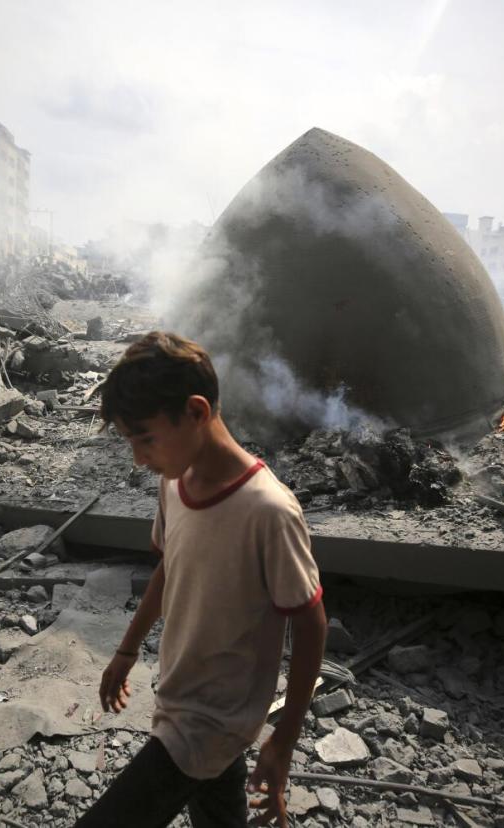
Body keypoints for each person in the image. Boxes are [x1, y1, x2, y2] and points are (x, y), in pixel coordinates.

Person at [74, 331, 327, 828]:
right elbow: (170, 568)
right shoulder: (175, 482)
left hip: (209, 722)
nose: (139, 459)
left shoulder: (268, 511)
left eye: (145, 438)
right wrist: (127, 651)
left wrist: (284, 739)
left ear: (195, 412)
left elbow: (311, 622)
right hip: (181, 692)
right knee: (216, 810)